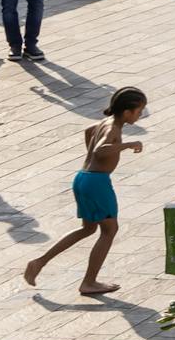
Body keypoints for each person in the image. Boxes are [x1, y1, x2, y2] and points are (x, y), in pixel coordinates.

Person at [24, 86, 150, 297]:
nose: (140, 115)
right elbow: (101, 149)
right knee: (109, 231)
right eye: (139, 111)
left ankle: (38, 263)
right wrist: (127, 144)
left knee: (88, 229)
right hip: (97, 183)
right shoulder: (113, 129)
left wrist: (90, 158)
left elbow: (89, 131)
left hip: (84, 177)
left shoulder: (106, 122)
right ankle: (89, 282)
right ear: (127, 111)